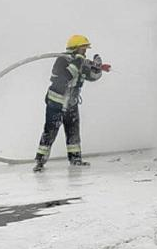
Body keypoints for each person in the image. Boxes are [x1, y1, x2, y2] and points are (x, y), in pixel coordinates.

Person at [33, 35, 111, 172]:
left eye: (86, 49)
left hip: (71, 104)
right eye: (83, 49)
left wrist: (97, 68)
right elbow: (66, 76)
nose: (85, 52)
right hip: (56, 102)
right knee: (50, 131)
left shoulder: (81, 62)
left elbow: (91, 77)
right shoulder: (62, 60)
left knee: (73, 131)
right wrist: (78, 62)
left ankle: (75, 159)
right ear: (75, 48)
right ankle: (40, 161)